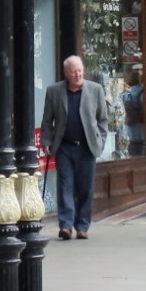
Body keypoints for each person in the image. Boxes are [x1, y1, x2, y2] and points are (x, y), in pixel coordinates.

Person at [42, 55, 109, 240]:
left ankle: (82, 226)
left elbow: (103, 120)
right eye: (73, 71)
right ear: (66, 73)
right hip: (64, 147)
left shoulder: (95, 90)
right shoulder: (54, 91)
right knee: (65, 187)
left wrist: (101, 141)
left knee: (85, 188)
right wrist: (46, 142)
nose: (78, 73)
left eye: (80, 70)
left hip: (87, 148)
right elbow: (47, 120)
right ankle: (66, 225)